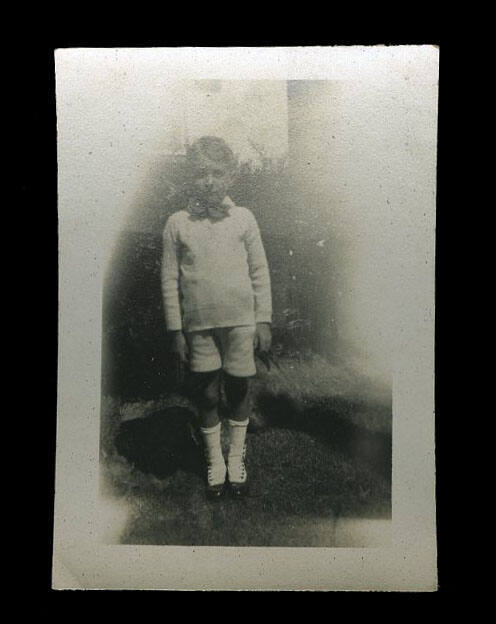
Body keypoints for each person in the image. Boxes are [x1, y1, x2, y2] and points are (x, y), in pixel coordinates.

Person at [161, 136, 272, 499]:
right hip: (198, 326)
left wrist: (263, 320)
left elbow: (259, 270)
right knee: (206, 394)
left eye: (217, 173)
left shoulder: (243, 218)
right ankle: (215, 461)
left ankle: (236, 458)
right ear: (189, 178)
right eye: (200, 173)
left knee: (239, 388)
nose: (208, 180)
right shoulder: (177, 223)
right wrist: (175, 329)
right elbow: (170, 279)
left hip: (241, 321)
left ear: (231, 177)